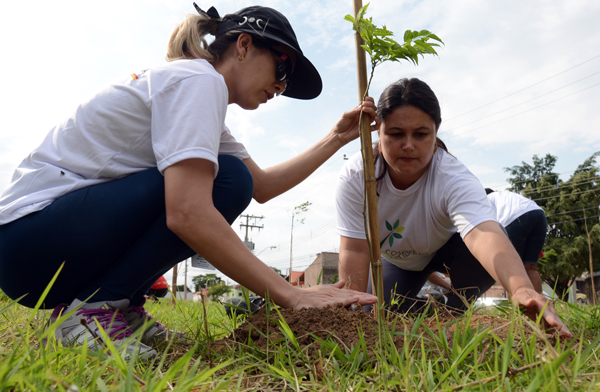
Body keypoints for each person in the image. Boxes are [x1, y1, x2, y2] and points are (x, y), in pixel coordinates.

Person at [0, 4, 378, 358]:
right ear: (244, 45)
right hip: (29, 240)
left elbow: (261, 186)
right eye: (282, 70)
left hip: (35, 248)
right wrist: (290, 295)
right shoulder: (198, 82)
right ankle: (92, 311)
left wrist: (335, 139)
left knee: (232, 176)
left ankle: (117, 306)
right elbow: (187, 212)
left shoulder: (196, 89)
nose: (280, 88)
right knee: (227, 179)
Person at [336, 78, 571, 337]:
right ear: (377, 131)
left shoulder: (453, 177)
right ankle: (430, 308)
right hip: (402, 262)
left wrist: (520, 289)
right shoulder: (357, 176)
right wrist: (352, 311)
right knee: (375, 312)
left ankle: (453, 312)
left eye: (421, 134)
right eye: (395, 133)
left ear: (435, 133)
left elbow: (483, 232)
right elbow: (354, 248)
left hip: (452, 248)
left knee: (487, 249)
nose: (408, 145)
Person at [485, 188, 546, 293]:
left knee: (511, 271)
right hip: (539, 215)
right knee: (531, 268)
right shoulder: (506, 195)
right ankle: (540, 307)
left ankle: (514, 309)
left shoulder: (486, 199)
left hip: (516, 218)